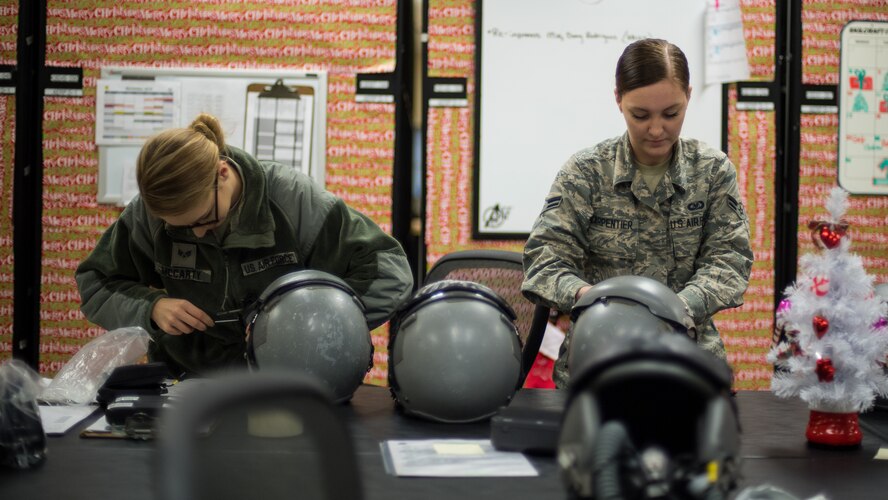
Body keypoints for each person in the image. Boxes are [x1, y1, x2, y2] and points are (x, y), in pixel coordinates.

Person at [76, 113, 414, 377]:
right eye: (179, 227)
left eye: (203, 218)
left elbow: (390, 273)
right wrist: (150, 307)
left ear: (222, 173)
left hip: (287, 388)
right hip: (186, 387)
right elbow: (96, 285)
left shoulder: (293, 201)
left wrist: (309, 328)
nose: (196, 235)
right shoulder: (149, 215)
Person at [521, 38, 753, 388]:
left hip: (688, 367)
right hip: (596, 363)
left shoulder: (712, 172)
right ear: (618, 99)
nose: (657, 129)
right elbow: (545, 261)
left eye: (671, 114)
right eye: (640, 115)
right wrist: (589, 298)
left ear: (688, 95)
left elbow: (729, 261)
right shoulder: (585, 172)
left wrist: (674, 309)